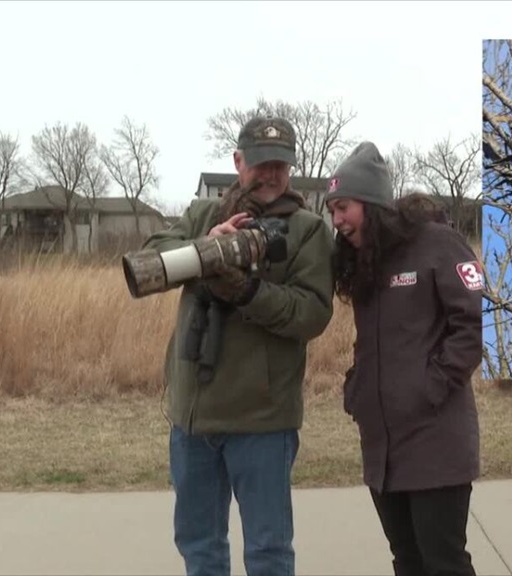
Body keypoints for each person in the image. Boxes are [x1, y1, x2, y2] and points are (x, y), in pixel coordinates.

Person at [139, 115, 335, 576]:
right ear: (238, 161)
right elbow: (152, 255)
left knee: (268, 551)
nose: (271, 175)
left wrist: (246, 291)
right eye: (261, 163)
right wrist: (205, 247)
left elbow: (311, 313)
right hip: (192, 418)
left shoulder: (307, 229)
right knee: (199, 545)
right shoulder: (203, 215)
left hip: (262, 421)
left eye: (281, 166)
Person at [325, 141, 484, 576]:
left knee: (444, 562)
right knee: (407, 561)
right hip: (383, 447)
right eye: (332, 211)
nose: (337, 220)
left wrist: (426, 386)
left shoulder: (438, 244)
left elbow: (471, 329)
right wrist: (358, 388)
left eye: (344, 207)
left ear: (372, 203)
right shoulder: (366, 260)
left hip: (436, 440)